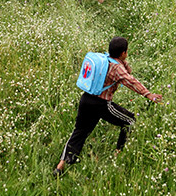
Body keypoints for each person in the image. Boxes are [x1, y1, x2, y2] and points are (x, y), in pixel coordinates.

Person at [55, 37, 162, 177]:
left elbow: (127, 71)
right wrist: (148, 94)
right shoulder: (117, 68)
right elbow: (131, 81)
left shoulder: (105, 59)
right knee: (130, 121)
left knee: (80, 132)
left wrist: (123, 62)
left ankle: (60, 167)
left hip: (85, 99)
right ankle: (118, 155)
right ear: (123, 53)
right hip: (100, 104)